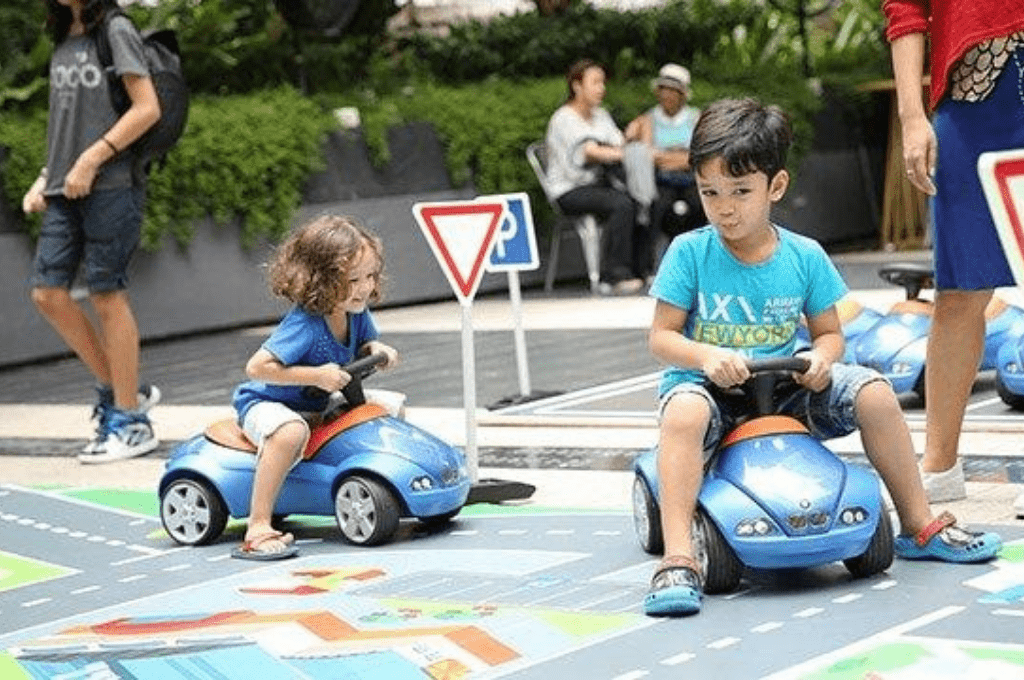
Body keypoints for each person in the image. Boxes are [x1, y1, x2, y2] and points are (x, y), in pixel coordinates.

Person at [644, 97, 1002, 617]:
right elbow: (662, 338)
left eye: (740, 192)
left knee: (876, 393)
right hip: (713, 390)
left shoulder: (804, 256)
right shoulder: (690, 253)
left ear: (777, 187)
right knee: (683, 413)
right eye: (710, 192)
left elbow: (830, 334)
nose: (724, 207)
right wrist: (706, 356)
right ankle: (678, 556)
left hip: (787, 388)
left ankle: (919, 523)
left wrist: (821, 359)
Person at [884, 2, 1024, 506]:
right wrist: (911, 114)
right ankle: (939, 466)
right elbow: (906, 11)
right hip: (971, 91)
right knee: (960, 288)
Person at [21, 0, 162, 463]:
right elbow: (71, 116)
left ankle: (131, 421)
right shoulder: (64, 33)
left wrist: (91, 158)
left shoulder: (115, 28)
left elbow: (147, 109)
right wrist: (49, 173)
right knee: (47, 292)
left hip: (112, 184)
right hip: (65, 185)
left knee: (106, 294)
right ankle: (125, 391)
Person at [230, 215, 399, 560]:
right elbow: (257, 368)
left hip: (316, 404)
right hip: (267, 404)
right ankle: (259, 524)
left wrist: (377, 350)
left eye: (369, 276)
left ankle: (388, 480)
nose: (364, 287)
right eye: (352, 279)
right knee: (289, 433)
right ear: (320, 279)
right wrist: (316, 376)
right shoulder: (305, 323)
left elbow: (366, 345)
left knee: (388, 407)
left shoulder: (355, 313)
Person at [545, 58, 647, 295]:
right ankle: (614, 276)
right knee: (620, 203)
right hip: (568, 189)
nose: (602, 88)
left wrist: (630, 138)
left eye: (603, 82)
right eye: (595, 82)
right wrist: (625, 152)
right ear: (577, 86)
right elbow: (589, 152)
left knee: (641, 197)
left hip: (598, 185)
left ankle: (643, 269)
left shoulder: (601, 115)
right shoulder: (564, 118)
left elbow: (618, 142)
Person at [625, 63, 706, 270]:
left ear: (683, 95)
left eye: (673, 91)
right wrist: (679, 157)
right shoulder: (648, 119)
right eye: (664, 90)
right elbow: (648, 156)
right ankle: (649, 268)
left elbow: (698, 156)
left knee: (701, 206)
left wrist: (667, 157)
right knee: (653, 208)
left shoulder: (696, 118)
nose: (667, 96)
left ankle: (701, 264)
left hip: (691, 180)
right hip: (661, 180)